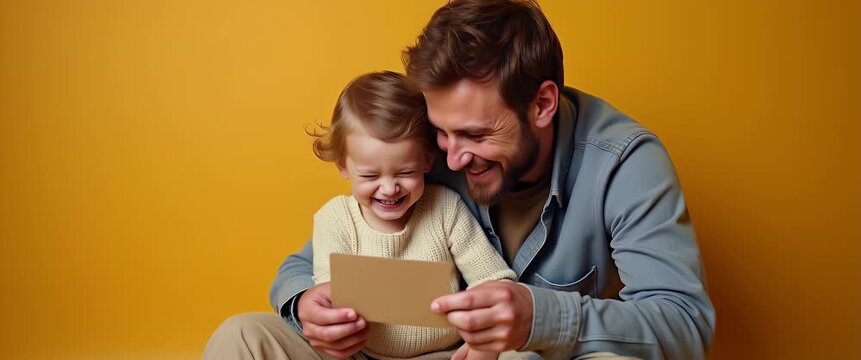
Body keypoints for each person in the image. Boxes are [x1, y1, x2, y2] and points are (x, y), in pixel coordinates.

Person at [208, 0, 715, 359]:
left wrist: (541, 317)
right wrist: (308, 307)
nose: (448, 160)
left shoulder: (624, 162)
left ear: (542, 104)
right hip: (378, 351)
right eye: (441, 134)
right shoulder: (428, 151)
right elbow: (303, 264)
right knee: (243, 339)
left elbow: (683, 325)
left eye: (474, 133)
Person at [307, 70, 522, 360]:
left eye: (405, 172)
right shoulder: (335, 219)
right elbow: (330, 300)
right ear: (343, 166)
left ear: (427, 161)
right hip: (364, 355)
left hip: (449, 353)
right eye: (370, 175)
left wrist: (485, 342)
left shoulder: (445, 207)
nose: (389, 188)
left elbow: (493, 280)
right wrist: (330, 323)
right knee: (249, 332)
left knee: (518, 354)